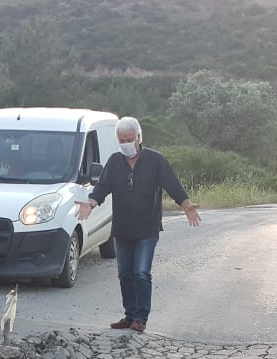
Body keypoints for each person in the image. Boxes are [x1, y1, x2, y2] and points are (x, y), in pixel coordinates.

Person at [76, 116, 200, 333]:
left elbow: (172, 184)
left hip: (147, 228)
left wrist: (187, 205)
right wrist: (90, 203)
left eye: (129, 139)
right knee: (125, 274)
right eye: (121, 139)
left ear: (139, 138)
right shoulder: (114, 162)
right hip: (122, 228)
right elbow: (102, 188)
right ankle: (129, 315)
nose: (125, 143)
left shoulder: (155, 160)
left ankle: (140, 318)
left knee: (141, 272)